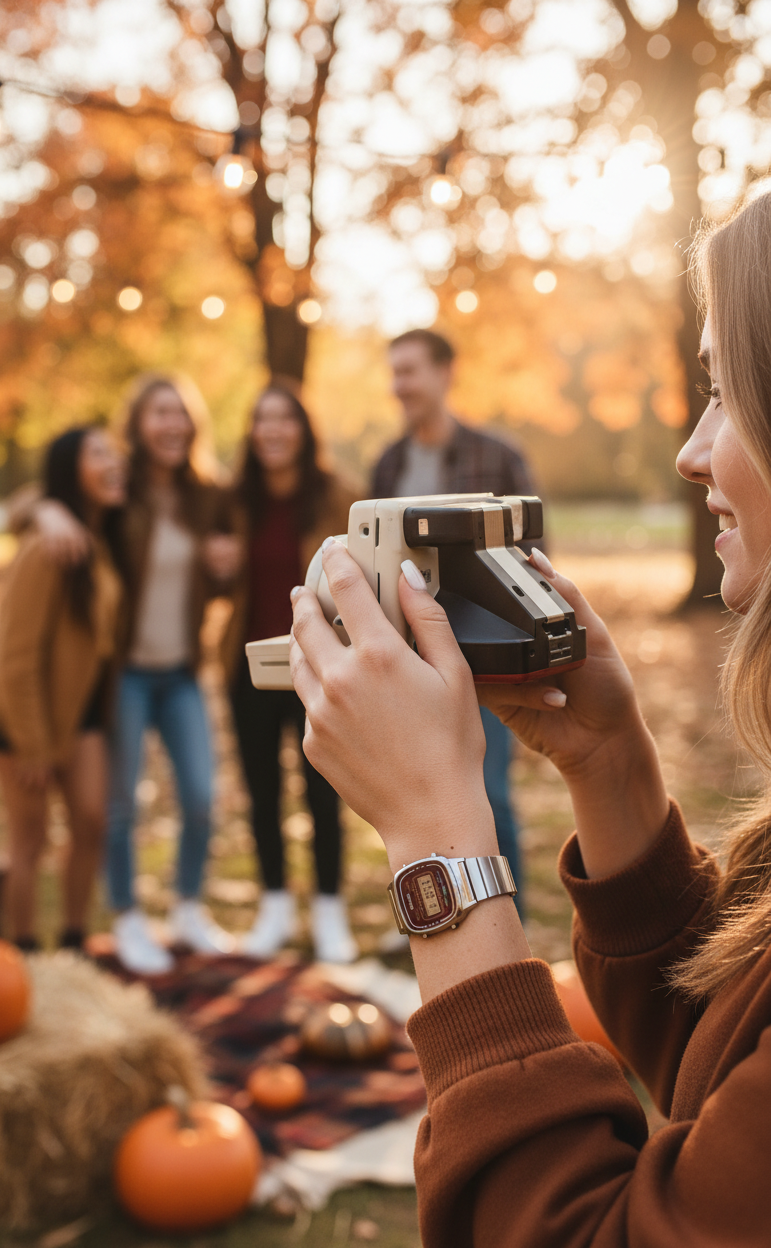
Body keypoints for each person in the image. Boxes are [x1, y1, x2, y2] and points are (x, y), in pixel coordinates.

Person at [289, 191, 771, 1244]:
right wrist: (610, 766)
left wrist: (434, 843)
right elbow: (728, 1065)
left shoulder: (491, 449)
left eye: (724, 391)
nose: (691, 454)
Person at [15, 375, 235, 974]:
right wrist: (47, 510)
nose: (173, 425)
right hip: (127, 677)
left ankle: (187, 907)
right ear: (138, 424)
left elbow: (223, 574)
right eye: (159, 414)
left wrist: (224, 568)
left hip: (182, 672)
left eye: (181, 414)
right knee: (120, 807)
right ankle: (129, 917)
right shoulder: (117, 491)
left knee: (200, 798)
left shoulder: (207, 494)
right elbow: (28, 503)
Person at [372, 328, 540, 904]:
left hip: (483, 663)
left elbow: (535, 562)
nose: (400, 386)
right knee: (415, 796)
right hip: (409, 663)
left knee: (489, 794)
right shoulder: (388, 466)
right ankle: (438, 917)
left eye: (410, 371)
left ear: (445, 373)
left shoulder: (497, 457)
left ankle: (507, 922)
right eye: (394, 372)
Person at [215, 382, 359, 962]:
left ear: (303, 430)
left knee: (323, 791)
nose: (272, 429)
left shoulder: (338, 496)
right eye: (261, 419)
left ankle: (329, 912)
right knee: (262, 791)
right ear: (251, 432)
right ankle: (274, 906)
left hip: (316, 665)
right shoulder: (232, 500)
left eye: (284, 419)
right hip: (249, 665)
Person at [0, 426, 126, 952]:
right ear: (70, 470)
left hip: (79, 714)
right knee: (29, 837)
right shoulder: (47, 548)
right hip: (22, 721)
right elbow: (16, 659)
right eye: (99, 453)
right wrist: (33, 745)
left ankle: (72, 941)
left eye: (116, 452)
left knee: (90, 822)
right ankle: (22, 951)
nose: (116, 461)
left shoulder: (95, 537)